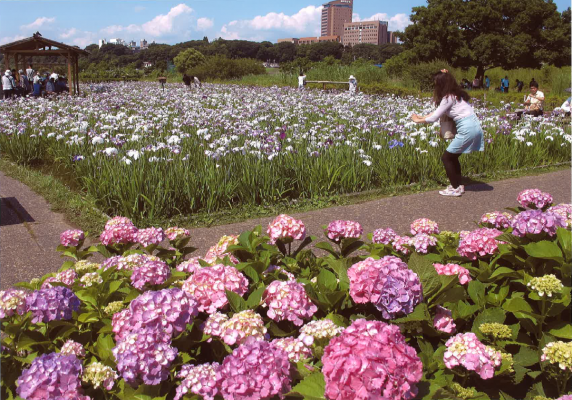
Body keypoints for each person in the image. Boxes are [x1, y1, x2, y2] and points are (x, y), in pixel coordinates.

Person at [410, 69, 484, 197]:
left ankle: (455, 188)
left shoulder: (448, 97)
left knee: (446, 157)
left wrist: (417, 121)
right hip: (474, 126)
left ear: (441, 84)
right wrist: (421, 117)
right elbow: (437, 112)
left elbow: (434, 118)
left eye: (436, 83)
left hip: (466, 129)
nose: (435, 85)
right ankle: (458, 185)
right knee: (453, 156)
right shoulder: (457, 95)